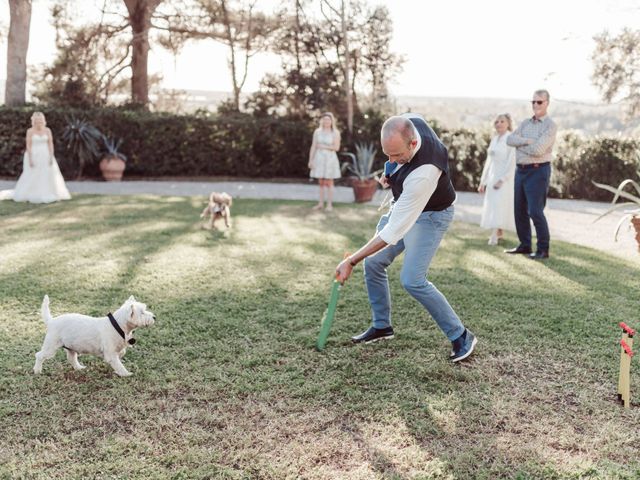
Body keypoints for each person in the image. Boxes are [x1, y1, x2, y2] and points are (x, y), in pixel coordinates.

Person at [335, 114, 477, 363]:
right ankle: (382, 327)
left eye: (396, 155)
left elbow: (391, 233)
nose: (391, 160)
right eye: (387, 154)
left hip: (431, 215)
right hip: (405, 205)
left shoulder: (424, 173)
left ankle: (461, 336)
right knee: (375, 262)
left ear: (413, 144)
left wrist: (351, 261)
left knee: (412, 279)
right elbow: (396, 162)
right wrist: (390, 170)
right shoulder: (411, 124)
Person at [505, 90, 557, 259]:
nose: (535, 105)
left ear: (547, 103)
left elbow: (538, 150)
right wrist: (526, 141)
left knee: (535, 211)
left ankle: (543, 249)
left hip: (538, 171)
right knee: (519, 210)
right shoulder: (525, 123)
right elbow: (509, 140)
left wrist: (520, 145)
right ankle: (525, 245)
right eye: (533, 102)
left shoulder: (550, 125)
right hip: (521, 171)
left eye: (539, 102)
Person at [0, 112, 71, 204]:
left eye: (40, 120)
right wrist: (30, 158)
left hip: (46, 154)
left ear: (43, 121)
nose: (39, 122)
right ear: (33, 121)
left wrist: (51, 156)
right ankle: (30, 193)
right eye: (37, 121)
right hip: (34, 155)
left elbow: (50, 144)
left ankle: (50, 192)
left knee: (48, 174)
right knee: (33, 174)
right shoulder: (30, 131)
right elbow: (28, 145)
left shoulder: (48, 130)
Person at [478, 113, 516, 245]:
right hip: (492, 176)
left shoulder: (510, 139)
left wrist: (503, 179)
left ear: (508, 124)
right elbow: (489, 162)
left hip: (504, 178)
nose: (499, 124)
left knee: (500, 205)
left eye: (502, 121)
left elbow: (512, 162)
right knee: (493, 204)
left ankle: (494, 235)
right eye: (497, 121)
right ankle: (498, 231)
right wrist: (483, 181)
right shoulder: (495, 139)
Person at [308, 112, 341, 212]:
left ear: (331, 121)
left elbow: (336, 147)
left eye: (328, 119)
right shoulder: (317, 132)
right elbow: (313, 146)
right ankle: (320, 203)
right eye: (325, 119)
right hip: (319, 159)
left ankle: (329, 204)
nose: (326, 121)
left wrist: (323, 146)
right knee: (321, 182)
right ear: (322, 121)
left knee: (329, 182)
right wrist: (311, 160)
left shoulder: (335, 132)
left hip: (330, 159)